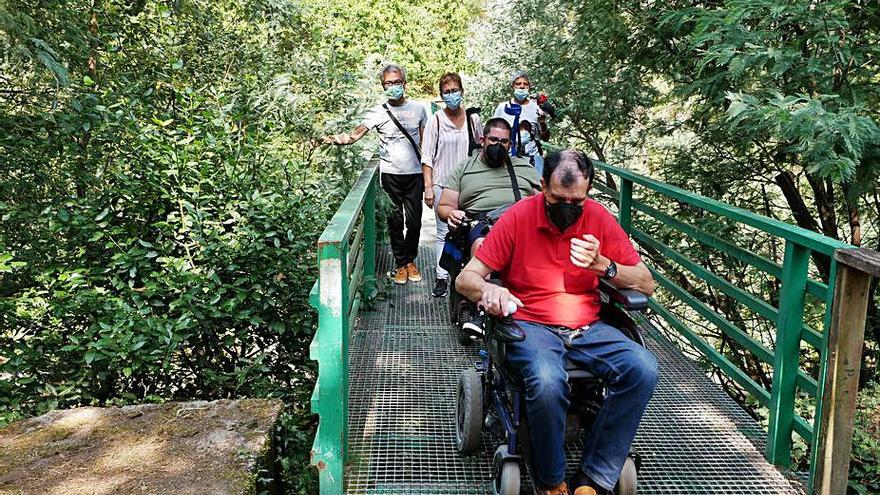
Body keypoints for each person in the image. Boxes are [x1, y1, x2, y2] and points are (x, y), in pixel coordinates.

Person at [454, 150, 658, 495]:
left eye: (575, 200)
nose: (567, 207)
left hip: (587, 326)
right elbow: (465, 279)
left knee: (643, 368)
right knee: (548, 381)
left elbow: (646, 282)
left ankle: (594, 478)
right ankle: (552, 481)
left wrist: (604, 267)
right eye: (557, 199)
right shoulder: (519, 217)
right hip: (531, 324)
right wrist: (488, 289)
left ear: (588, 190)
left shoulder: (598, 218)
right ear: (542, 185)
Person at [323, 64, 428, 285]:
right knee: (395, 222)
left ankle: (410, 260)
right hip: (390, 175)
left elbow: (426, 144)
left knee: (416, 222)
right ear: (383, 86)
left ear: (404, 83)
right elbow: (355, 136)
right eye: (388, 83)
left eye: (396, 82)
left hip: (415, 175)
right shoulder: (378, 111)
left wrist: (430, 178)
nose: (393, 86)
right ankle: (401, 264)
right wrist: (329, 139)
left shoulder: (419, 109)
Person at [436, 117, 540, 258]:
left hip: (520, 224)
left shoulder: (523, 167)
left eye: (503, 142)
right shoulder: (464, 168)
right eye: (493, 140)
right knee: (483, 246)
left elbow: (544, 199)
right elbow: (444, 205)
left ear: (510, 144)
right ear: (482, 140)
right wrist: (451, 214)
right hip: (481, 226)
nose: (498, 145)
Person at [421, 72, 483, 298]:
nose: (451, 95)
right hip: (442, 184)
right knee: (443, 231)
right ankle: (441, 277)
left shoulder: (473, 119)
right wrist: (428, 187)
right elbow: (427, 157)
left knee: (471, 229)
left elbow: (481, 149)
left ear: (462, 91)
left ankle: (465, 277)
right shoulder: (436, 121)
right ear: (441, 96)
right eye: (447, 92)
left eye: (454, 90)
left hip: (468, 183)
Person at [493, 70, 551, 175]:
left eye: (525, 84)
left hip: (533, 159)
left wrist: (542, 123)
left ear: (529, 87)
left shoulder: (536, 107)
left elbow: (545, 138)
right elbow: (492, 134)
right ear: (513, 86)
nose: (522, 87)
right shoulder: (503, 108)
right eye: (518, 84)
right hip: (507, 158)